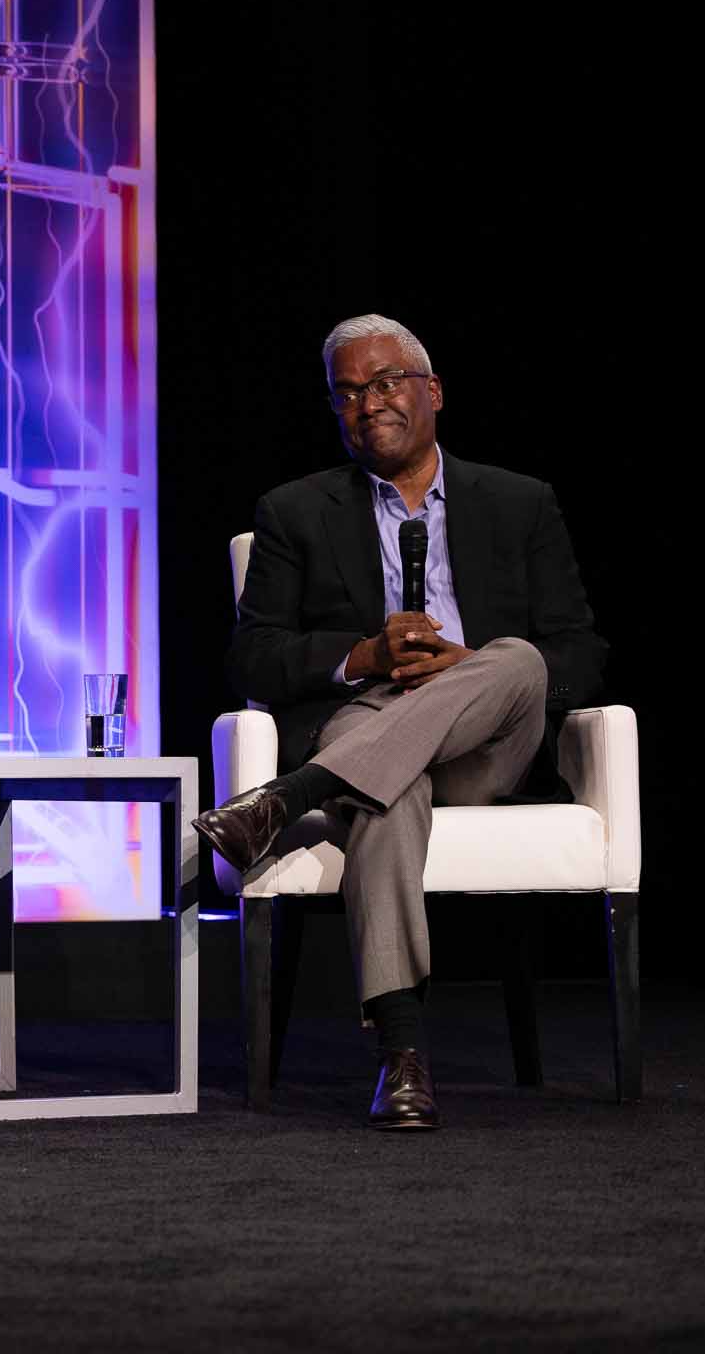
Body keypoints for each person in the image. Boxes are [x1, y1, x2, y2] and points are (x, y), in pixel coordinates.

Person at [194, 313, 606, 1130]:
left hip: (488, 741)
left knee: (520, 657)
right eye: (347, 393)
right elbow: (254, 657)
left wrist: (466, 665)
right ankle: (403, 1058)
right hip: (367, 722)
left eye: (384, 383)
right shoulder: (295, 511)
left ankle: (288, 796)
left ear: (433, 392)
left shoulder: (520, 503)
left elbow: (582, 652)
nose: (367, 403)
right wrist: (365, 657)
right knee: (385, 786)